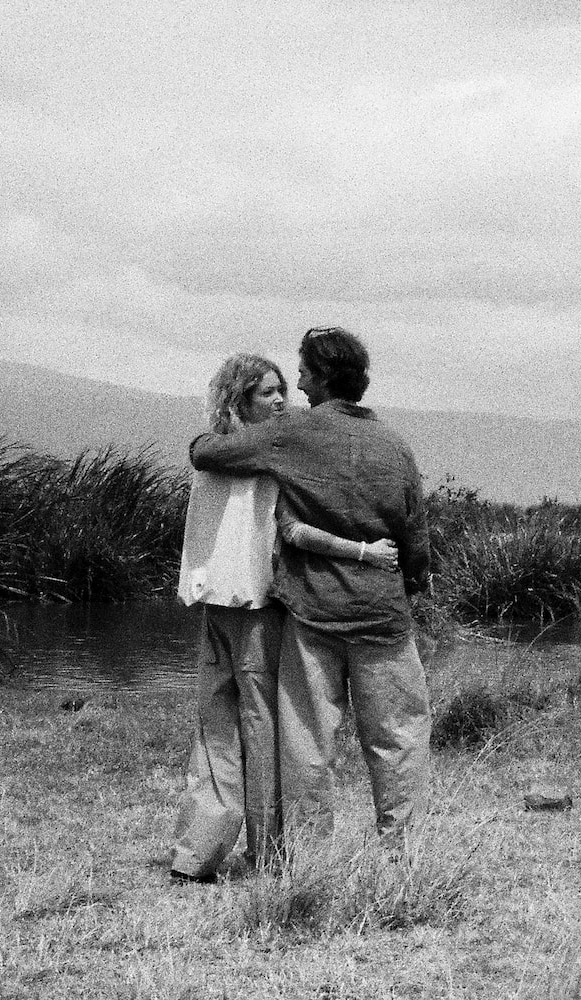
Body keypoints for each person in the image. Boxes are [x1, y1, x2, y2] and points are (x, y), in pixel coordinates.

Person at [189, 326, 433, 843]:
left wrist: (207, 435)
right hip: (383, 614)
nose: (296, 386)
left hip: (315, 615)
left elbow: (208, 455)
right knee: (398, 738)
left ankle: (310, 861)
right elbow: (415, 536)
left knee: (307, 745)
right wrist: (406, 584)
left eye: (301, 373)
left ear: (321, 378)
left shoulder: (294, 433)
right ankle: (403, 852)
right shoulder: (395, 443)